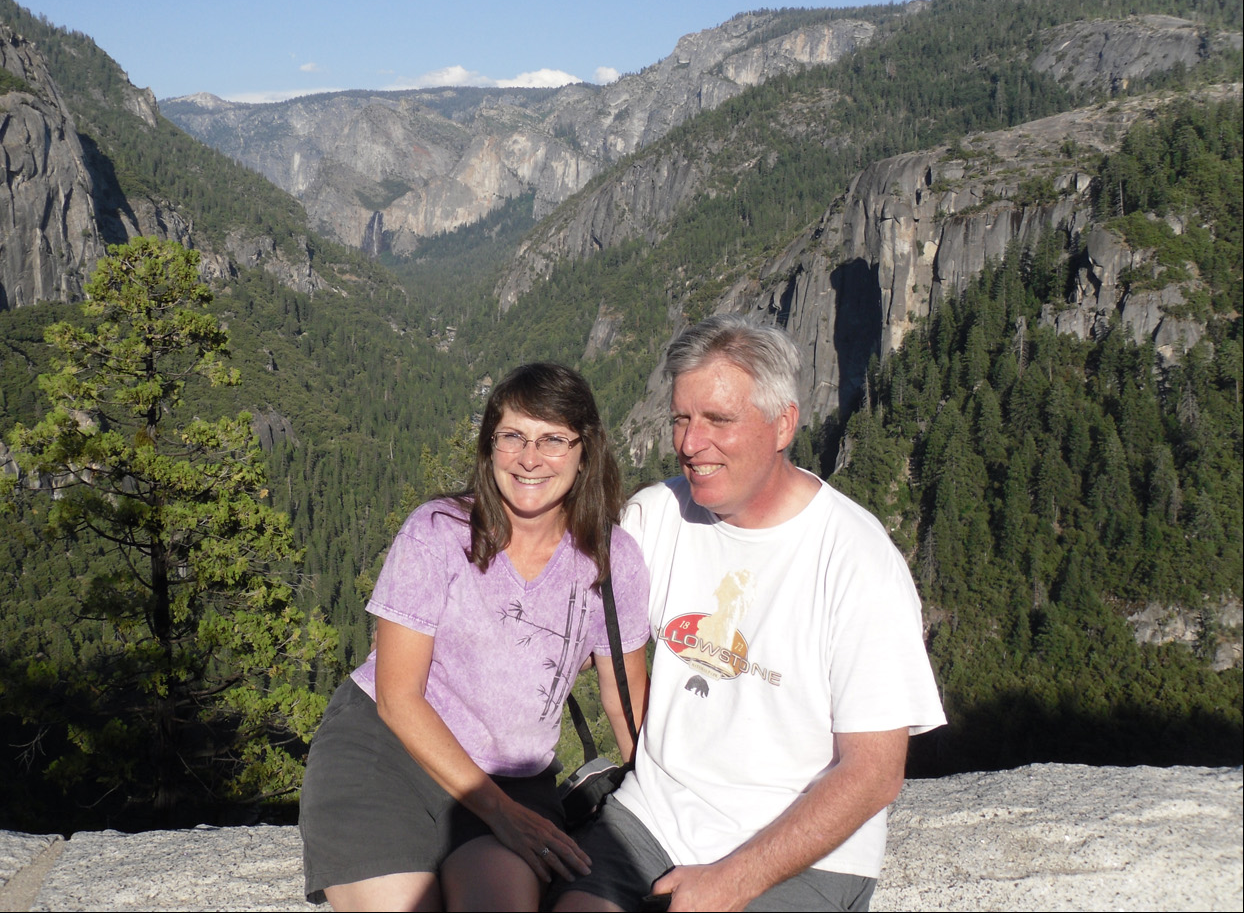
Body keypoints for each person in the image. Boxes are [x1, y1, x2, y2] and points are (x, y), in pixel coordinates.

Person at [554, 316, 945, 913]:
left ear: (783, 423)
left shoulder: (856, 560)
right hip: (654, 818)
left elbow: (873, 773)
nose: (689, 443)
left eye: (718, 420)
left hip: (803, 851)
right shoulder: (657, 517)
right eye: (682, 419)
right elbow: (564, 627)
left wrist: (735, 879)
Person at [300, 363, 652, 912]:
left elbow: (625, 700)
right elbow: (398, 696)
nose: (530, 458)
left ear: (586, 450)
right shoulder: (437, 532)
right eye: (512, 436)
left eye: (554, 439)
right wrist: (500, 815)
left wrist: (672, 809)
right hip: (384, 757)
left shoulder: (613, 560)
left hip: (513, 776)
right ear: (490, 447)